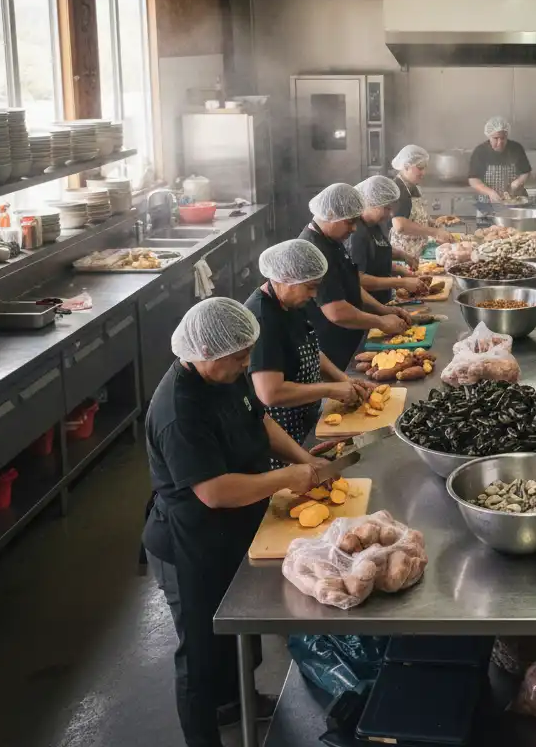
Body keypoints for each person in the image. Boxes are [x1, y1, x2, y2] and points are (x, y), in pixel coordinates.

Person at [142, 298, 344, 747]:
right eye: (238, 357)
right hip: (189, 541)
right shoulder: (180, 409)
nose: (246, 363)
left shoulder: (224, 375)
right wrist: (285, 479)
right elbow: (213, 492)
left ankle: (239, 701)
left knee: (241, 630)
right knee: (199, 655)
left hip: (233, 529)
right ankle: (204, 737)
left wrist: (303, 457)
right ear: (205, 355)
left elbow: (260, 418)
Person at [244, 239, 371, 461]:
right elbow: (270, 393)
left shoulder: (291, 304)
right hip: (282, 439)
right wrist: (330, 390)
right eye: (310, 287)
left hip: (307, 423)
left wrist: (344, 380)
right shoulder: (263, 320)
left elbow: (311, 352)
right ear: (286, 280)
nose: (314, 295)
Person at [299, 183, 411, 370]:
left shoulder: (331, 240)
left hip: (349, 338)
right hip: (330, 345)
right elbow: (336, 311)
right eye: (350, 222)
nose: (353, 229)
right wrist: (381, 321)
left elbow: (351, 285)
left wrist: (383, 309)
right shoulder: (314, 250)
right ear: (332, 215)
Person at [350, 175, 430, 305]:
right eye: (387, 208)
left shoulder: (373, 225)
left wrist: (401, 262)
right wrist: (401, 282)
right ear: (370, 203)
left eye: (392, 208)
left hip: (383, 300)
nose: (391, 214)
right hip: (368, 307)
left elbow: (376, 256)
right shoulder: (356, 233)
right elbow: (359, 279)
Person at [389, 144, 454, 259]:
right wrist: (434, 232)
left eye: (425, 168)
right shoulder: (398, 189)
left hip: (418, 252)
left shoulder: (413, 187)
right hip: (404, 257)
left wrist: (433, 223)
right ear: (406, 166)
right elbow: (400, 225)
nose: (424, 173)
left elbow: (415, 217)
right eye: (420, 168)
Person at [468, 116, 532, 211]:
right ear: (489, 136)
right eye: (495, 138)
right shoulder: (480, 152)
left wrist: (518, 182)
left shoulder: (516, 149)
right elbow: (473, 180)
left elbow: (526, 172)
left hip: (515, 204)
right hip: (488, 204)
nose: (500, 142)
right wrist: (490, 192)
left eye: (503, 138)